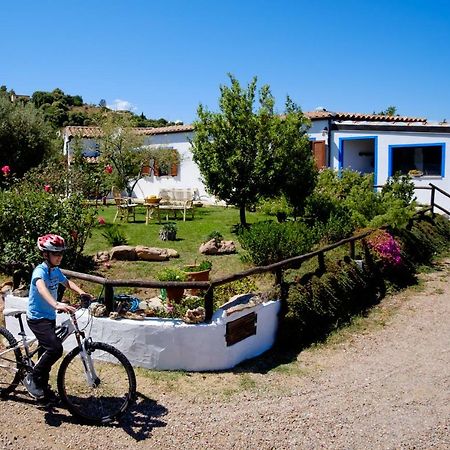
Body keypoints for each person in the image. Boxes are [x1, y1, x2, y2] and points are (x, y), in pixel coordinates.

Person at [25, 234, 91, 403]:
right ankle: (32, 377)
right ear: (45, 254)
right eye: (55, 254)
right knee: (55, 349)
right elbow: (41, 288)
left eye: (61, 253)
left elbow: (67, 282)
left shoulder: (55, 270)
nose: (59, 257)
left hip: (49, 317)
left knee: (45, 353)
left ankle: (42, 387)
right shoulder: (39, 271)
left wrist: (82, 292)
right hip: (37, 318)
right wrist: (56, 304)